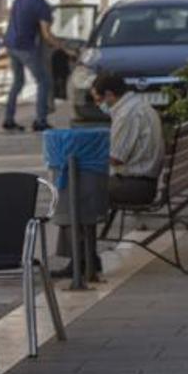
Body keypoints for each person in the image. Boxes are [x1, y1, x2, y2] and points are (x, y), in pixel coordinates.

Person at [52, 72, 165, 278]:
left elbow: (116, 158)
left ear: (110, 95)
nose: (98, 105)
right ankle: (85, 259)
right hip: (141, 180)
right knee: (79, 191)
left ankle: (80, 262)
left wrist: (85, 158)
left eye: (98, 99)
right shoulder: (137, 107)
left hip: (135, 186)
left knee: (73, 195)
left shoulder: (127, 114)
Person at [3, 0, 65, 132]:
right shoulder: (42, 6)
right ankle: (40, 120)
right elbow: (46, 35)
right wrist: (62, 47)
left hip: (10, 43)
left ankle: (8, 120)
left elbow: (18, 15)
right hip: (25, 47)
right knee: (44, 81)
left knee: (18, 82)